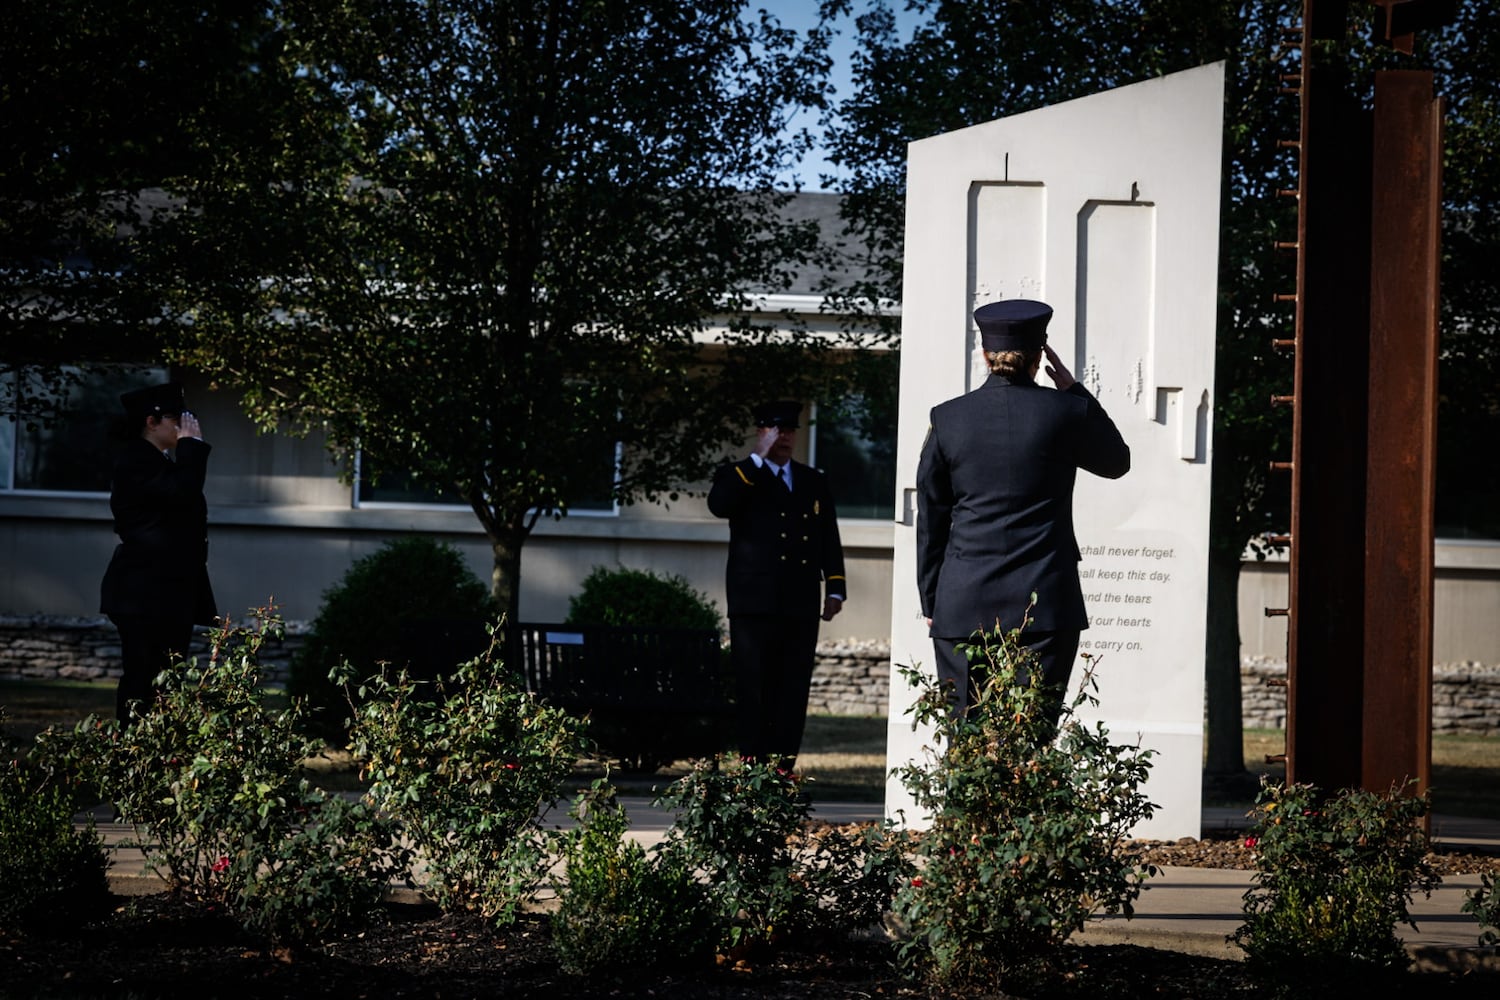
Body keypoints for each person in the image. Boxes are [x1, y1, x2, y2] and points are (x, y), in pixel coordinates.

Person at [916, 300, 1129, 728]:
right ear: (1040, 357)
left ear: (984, 355)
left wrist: (931, 597)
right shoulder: (1066, 412)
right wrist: (1074, 391)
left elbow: (932, 516)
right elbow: (1116, 462)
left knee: (966, 743)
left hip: (962, 605)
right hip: (1045, 605)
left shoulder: (948, 418)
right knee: (1029, 745)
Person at [707, 400, 847, 765]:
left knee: (792, 690)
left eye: (789, 430)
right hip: (754, 605)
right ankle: (752, 771)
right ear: (762, 432)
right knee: (754, 688)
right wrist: (756, 458)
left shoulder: (813, 481)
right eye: (776, 430)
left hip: (799, 603)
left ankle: (783, 770)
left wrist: (834, 586)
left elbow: (827, 536)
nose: (784, 437)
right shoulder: (739, 475)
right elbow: (720, 505)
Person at [100, 381, 218, 723]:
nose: (185, 426)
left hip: (165, 591)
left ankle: (158, 753)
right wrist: (192, 449)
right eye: (176, 418)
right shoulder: (136, 459)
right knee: (143, 679)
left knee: (166, 679)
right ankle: (134, 755)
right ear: (151, 422)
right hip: (144, 592)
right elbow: (180, 494)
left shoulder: (160, 462)